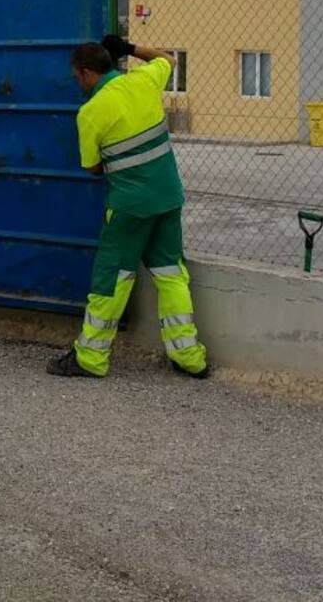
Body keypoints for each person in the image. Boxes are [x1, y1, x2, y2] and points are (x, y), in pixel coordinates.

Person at [47, 33, 209, 379]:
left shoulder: (91, 111)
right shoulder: (143, 80)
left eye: (77, 77)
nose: (77, 83)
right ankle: (189, 357)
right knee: (171, 274)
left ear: (86, 73)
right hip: (168, 197)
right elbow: (168, 59)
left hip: (130, 207)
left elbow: (92, 167)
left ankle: (90, 357)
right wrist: (131, 48)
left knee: (113, 278)